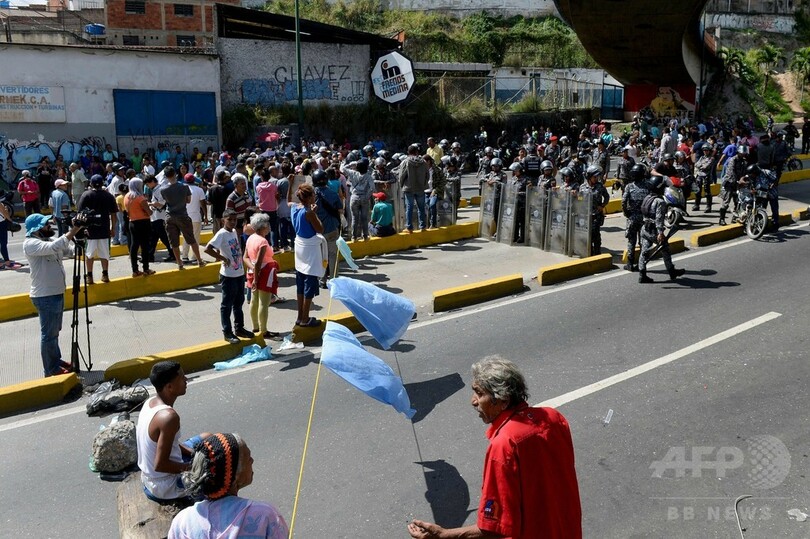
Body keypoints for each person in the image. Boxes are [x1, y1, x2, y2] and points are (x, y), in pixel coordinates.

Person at [408, 356, 582, 539]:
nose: (473, 401)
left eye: (479, 393)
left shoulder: (504, 445)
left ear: (503, 400)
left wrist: (444, 535)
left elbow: (494, 527)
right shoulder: (554, 418)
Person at [168, 433, 289, 539]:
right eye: (248, 458)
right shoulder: (265, 515)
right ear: (234, 476)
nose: (252, 461)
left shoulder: (182, 522)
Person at [136, 361, 212, 502]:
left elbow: (171, 444)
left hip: (150, 479)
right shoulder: (168, 417)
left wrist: (192, 453)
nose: (186, 379)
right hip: (165, 485)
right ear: (169, 387)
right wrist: (194, 467)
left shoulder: (151, 402)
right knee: (217, 474)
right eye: (182, 377)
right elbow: (160, 465)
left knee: (209, 438)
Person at [22, 214, 84, 376]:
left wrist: (81, 236)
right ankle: (51, 369)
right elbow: (56, 246)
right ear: (36, 228)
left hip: (55, 292)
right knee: (49, 335)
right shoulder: (31, 244)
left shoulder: (47, 240)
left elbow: (68, 250)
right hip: (45, 296)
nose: (49, 225)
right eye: (46, 224)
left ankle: (55, 360)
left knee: (54, 331)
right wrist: (74, 229)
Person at [205, 209, 253, 344]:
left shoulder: (233, 232)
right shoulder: (221, 234)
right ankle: (227, 331)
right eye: (229, 220)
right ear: (223, 220)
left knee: (238, 303)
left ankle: (239, 328)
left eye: (234, 220)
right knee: (226, 305)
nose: (232, 222)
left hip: (238, 273)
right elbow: (208, 249)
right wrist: (222, 258)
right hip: (228, 275)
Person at [153, 167, 206, 270]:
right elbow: (188, 200)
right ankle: (199, 261)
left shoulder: (163, 189)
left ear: (165, 176)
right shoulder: (184, 187)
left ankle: (179, 263)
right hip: (182, 215)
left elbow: (165, 202)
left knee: (174, 242)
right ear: (175, 174)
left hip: (170, 216)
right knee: (191, 239)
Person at [638, 176, 687, 284]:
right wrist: (660, 233)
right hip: (654, 231)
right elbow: (659, 218)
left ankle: (642, 274)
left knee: (644, 252)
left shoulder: (647, 198)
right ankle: (672, 271)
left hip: (644, 229)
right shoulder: (660, 202)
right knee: (665, 249)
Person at [290, 183, 325, 328]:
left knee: (300, 281)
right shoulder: (309, 213)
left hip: (299, 248)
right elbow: (320, 229)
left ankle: (300, 316)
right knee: (309, 283)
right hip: (310, 249)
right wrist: (314, 213)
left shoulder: (294, 208)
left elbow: (288, 201)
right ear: (309, 197)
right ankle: (305, 318)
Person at [243, 212, 282, 340]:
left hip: (252, 271)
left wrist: (252, 269)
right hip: (264, 272)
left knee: (254, 301)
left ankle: (255, 327)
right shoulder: (263, 241)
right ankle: (264, 330)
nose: (269, 227)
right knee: (264, 303)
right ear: (263, 226)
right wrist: (256, 276)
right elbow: (259, 262)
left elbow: (245, 257)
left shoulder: (251, 238)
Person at [78, 174, 118, 284]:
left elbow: (80, 214)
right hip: (104, 229)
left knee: (89, 254)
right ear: (102, 184)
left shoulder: (86, 195)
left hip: (90, 230)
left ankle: (89, 276)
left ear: (91, 184)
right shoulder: (108, 196)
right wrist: (113, 228)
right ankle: (105, 274)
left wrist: (82, 228)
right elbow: (113, 214)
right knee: (105, 254)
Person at [312, 169, 342, 288]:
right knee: (333, 255)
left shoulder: (311, 195)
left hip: (317, 231)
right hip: (331, 229)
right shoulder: (333, 193)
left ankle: (322, 280)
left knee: (320, 256)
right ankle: (334, 279)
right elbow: (340, 209)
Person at [124, 178, 155, 277]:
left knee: (134, 246)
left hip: (132, 222)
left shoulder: (127, 196)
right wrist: (151, 209)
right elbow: (149, 212)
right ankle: (146, 268)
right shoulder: (140, 198)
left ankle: (135, 270)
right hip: (143, 222)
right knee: (144, 246)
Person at [621, 164, 649, 271]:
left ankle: (630, 264)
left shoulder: (629, 186)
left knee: (631, 241)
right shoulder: (648, 186)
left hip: (632, 218)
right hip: (644, 218)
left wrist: (626, 213)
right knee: (643, 242)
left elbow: (623, 201)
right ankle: (641, 264)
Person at [579, 165, 610, 255]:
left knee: (595, 235)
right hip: (586, 215)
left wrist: (602, 206)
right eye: (594, 177)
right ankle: (589, 252)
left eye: (597, 177)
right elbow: (580, 199)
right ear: (589, 177)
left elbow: (606, 197)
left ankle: (597, 252)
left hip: (596, 215)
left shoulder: (600, 186)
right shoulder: (582, 187)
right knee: (587, 235)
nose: (596, 179)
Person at [341, 159, 373, 241]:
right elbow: (372, 188)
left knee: (355, 218)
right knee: (364, 218)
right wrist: (367, 196)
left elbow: (342, 168)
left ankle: (354, 237)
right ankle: (365, 236)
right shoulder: (369, 176)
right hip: (364, 197)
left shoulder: (353, 173)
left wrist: (351, 164)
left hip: (354, 197)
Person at [399, 144, 428, 233]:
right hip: (420, 188)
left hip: (409, 188)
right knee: (421, 208)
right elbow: (427, 175)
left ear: (408, 152)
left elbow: (402, 175)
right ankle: (422, 226)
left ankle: (409, 227)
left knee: (409, 208)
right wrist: (424, 184)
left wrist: (402, 185)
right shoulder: (423, 162)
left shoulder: (405, 162)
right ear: (417, 152)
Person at [179, 173, 206, 264]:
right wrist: (206, 216)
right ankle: (194, 257)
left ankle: (184, 256)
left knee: (186, 237)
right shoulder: (199, 190)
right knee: (196, 238)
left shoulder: (182, 190)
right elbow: (203, 204)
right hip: (196, 217)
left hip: (184, 216)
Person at [424, 154, 447, 229]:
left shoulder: (437, 170)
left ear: (428, 161)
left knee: (432, 204)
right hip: (425, 191)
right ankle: (427, 224)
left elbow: (443, 181)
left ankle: (433, 224)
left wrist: (436, 190)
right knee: (427, 206)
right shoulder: (422, 170)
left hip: (434, 191)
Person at [693, 144, 714, 213]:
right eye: (704, 150)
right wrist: (701, 166)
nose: (705, 151)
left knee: (707, 192)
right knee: (698, 191)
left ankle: (708, 206)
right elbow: (696, 164)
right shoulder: (702, 157)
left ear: (709, 151)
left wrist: (701, 166)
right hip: (699, 175)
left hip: (707, 176)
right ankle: (697, 205)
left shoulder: (711, 158)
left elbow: (706, 167)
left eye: (706, 150)